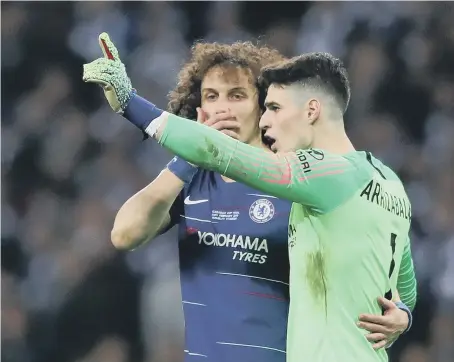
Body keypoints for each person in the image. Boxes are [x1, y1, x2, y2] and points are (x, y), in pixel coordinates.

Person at [82, 33, 417, 362]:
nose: (222, 108)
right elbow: (124, 234)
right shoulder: (191, 180)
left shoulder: (300, 182)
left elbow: (375, 266)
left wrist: (401, 311)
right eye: (211, 96)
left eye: (236, 95)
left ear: (263, 106)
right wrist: (188, 160)